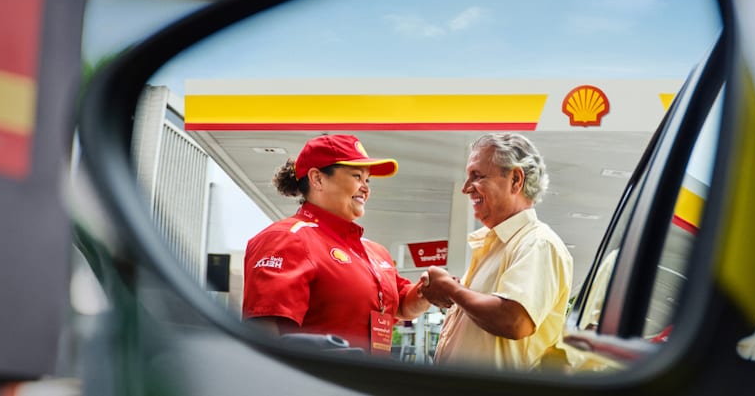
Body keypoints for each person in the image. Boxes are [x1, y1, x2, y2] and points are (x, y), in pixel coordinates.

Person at [241, 134, 429, 356]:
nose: (365, 188)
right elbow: (264, 334)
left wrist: (429, 291)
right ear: (317, 179)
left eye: (367, 180)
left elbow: (401, 305)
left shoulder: (375, 252)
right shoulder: (287, 238)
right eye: (357, 176)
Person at [421, 132, 573, 371]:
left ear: (515, 180)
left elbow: (514, 320)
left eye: (477, 176)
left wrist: (452, 289)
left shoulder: (538, 243)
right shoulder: (498, 245)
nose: (465, 188)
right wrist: (449, 292)